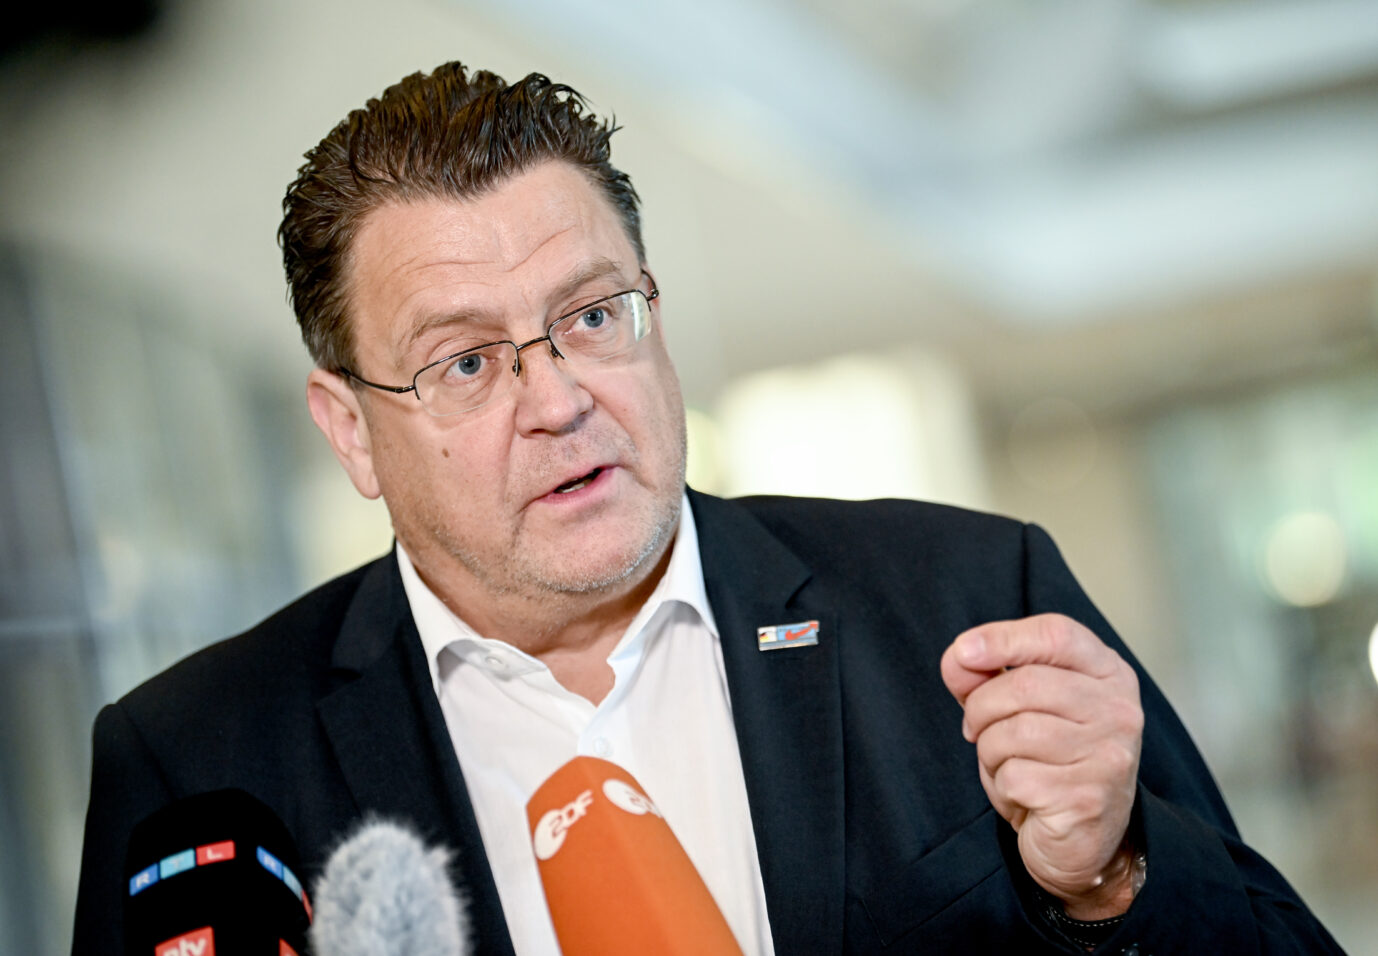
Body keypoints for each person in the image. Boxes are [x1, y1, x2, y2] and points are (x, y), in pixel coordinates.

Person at [72, 62, 1340, 955]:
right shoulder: (201, 758)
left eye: (590, 315)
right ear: (350, 425)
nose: (559, 398)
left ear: (652, 314)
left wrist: (1110, 879)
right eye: (465, 361)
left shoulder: (966, 598)